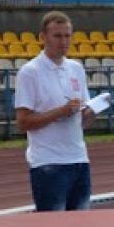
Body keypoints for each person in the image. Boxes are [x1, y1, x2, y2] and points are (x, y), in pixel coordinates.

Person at [15, 11, 95, 211]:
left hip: (79, 160)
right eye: (57, 36)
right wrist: (60, 112)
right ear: (43, 37)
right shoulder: (30, 72)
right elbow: (23, 122)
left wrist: (90, 114)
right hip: (48, 164)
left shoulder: (76, 69)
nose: (64, 41)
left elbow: (83, 120)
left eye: (67, 36)